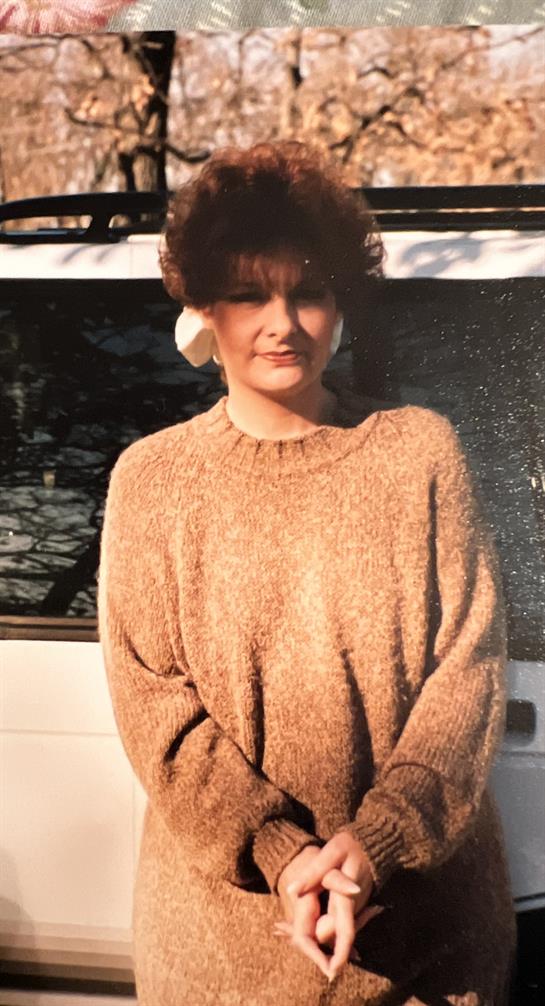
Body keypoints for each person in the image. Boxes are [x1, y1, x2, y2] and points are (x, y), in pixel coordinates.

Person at [97, 140, 516, 1005]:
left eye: (309, 291)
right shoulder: (153, 479)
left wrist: (377, 844)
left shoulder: (419, 455)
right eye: (249, 294)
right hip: (217, 960)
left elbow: (465, 674)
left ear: (342, 302)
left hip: (425, 948)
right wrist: (284, 855)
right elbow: (156, 709)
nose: (281, 322)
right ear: (205, 306)